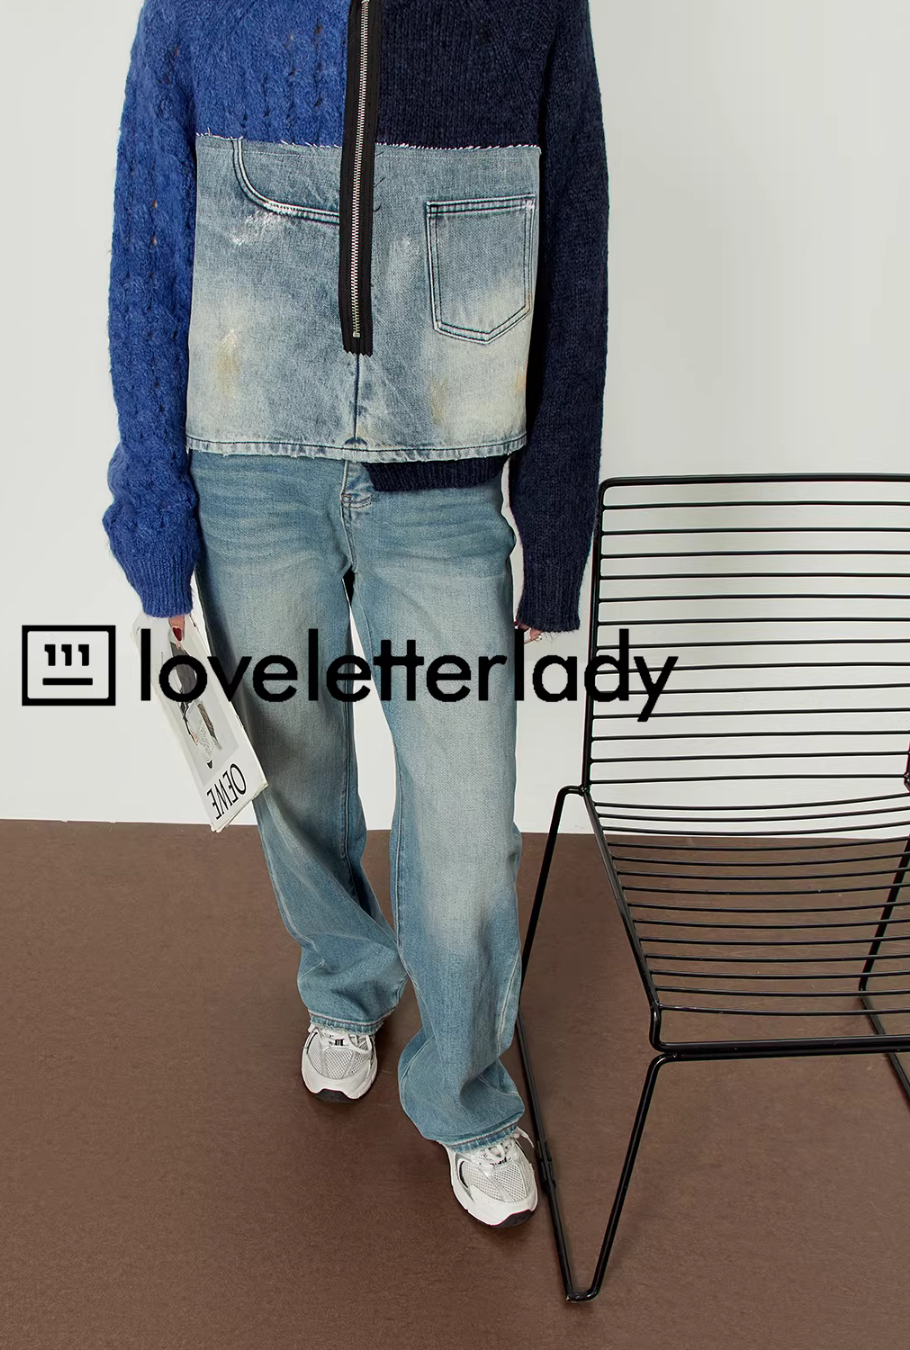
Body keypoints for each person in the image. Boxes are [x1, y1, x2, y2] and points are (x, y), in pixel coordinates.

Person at [103, 0, 609, 1228]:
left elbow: (576, 249)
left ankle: (465, 1089)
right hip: (248, 459)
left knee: (468, 816)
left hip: (444, 474)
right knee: (294, 771)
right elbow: (150, 244)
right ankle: (345, 976)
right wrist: (156, 517)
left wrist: (554, 532)